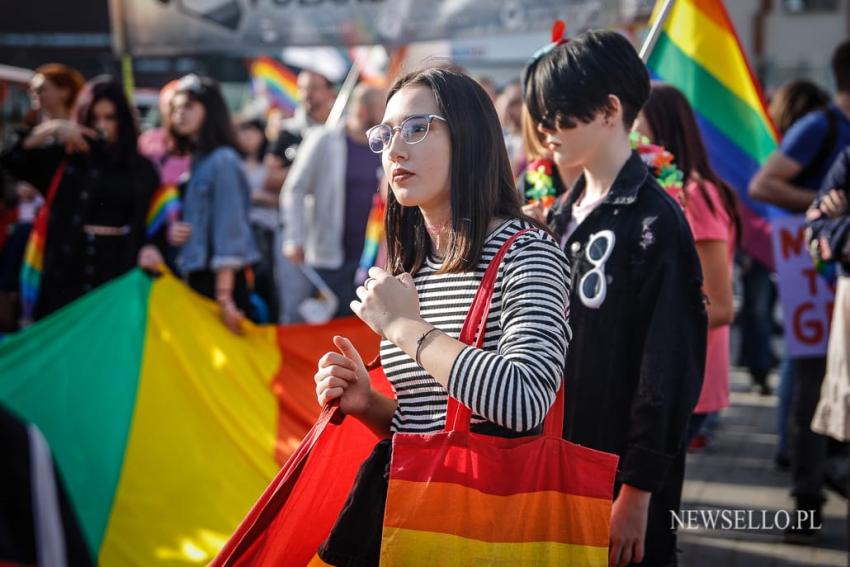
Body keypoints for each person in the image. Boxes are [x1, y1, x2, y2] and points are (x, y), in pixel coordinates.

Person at [312, 66, 571, 565]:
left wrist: (404, 328)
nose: (395, 150)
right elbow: (436, 426)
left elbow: (523, 400)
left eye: (417, 128)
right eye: (385, 134)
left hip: (487, 529)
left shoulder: (527, 254)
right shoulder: (416, 262)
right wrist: (368, 405)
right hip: (407, 511)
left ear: (470, 138)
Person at [523, 30, 707, 566]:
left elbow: (668, 366)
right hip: (554, 459)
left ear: (608, 110)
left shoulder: (656, 221)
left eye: (558, 115)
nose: (544, 131)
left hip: (618, 476)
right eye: (540, 116)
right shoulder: (558, 214)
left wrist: (638, 490)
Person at [750, 41, 850, 541]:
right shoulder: (822, 126)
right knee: (811, 383)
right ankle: (807, 497)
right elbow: (764, 185)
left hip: (832, 280)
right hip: (821, 283)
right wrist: (827, 206)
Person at [1, 76, 160, 321]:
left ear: (123, 121)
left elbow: (152, 223)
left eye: (110, 118)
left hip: (117, 274)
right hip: (65, 271)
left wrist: (150, 248)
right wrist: (51, 129)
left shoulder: (142, 168)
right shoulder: (66, 159)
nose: (102, 125)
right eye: (95, 118)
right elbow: (11, 161)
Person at [635, 84, 740, 451]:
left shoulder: (696, 194)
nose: (626, 130)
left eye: (635, 118)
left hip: (685, 370)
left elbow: (720, 306)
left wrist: (637, 326)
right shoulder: (656, 189)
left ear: (660, 123)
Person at [280, 84, 385, 321]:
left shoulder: (384, 145)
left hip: (371, 256)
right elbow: (294, 190)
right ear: (363, 111)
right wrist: (294, 238)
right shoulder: (324, 139)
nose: (387, 115)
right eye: (382, 108)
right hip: (329, 256)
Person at [168, 74, 259, 334]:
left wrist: (224, 298)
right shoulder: (199, 160)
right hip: (200, 275)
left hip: (219, 283)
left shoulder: (223, 161)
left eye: (188, 107)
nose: (179, 114)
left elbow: (230, 232)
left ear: (210, 110)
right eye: (175, 108)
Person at [236, 117, 279, 322]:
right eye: (242, 131)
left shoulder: (270, 165)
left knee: (267, 279)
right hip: (243, 230)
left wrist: (259, 197)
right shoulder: (234, 163)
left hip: (268, 229)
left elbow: (284, 199)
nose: (247, 137)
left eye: (251, 131)